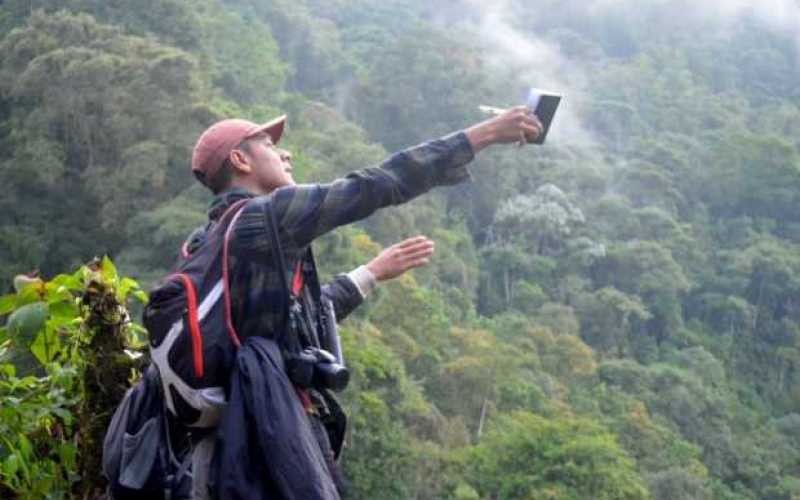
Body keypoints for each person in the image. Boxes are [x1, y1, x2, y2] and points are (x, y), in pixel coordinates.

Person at [186, 107, 543, 499]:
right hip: (275, 437)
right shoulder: (268, 216)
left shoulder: (204, 242)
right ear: (240, 160)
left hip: (227, 438)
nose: (286, 154)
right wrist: (485, 134)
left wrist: (369, 274)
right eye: (270, 145)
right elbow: (377, 183)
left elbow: (295, 320)